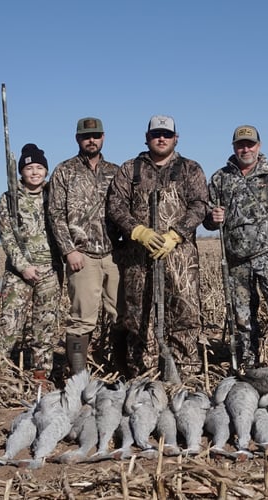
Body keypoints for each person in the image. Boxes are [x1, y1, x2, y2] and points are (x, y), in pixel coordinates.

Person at [107, 115, 208, 379]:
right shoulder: (130, 169)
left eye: (166, 134)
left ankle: (185, 376)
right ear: (147, 137)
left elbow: (200, 205)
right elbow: (115, 206)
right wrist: (137, 231)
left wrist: (176, 234)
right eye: (155, 134)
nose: (160, 138)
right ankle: (145, 375)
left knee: (185, 313)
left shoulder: (191, 169)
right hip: (139, 259)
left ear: (176, 138)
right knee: (140, 316)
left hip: (181, 259)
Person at [203, 125, 268, 368]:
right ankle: (248, 368)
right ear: (234, 147)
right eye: (240, 144)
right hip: (236, 263)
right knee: (243, 319)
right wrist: (212, 218)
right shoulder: (220, 178)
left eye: (250, 144)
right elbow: (207, 219)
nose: (245, 148)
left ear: (259, 146)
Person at [48, 117, 121, 375]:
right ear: (77, 139)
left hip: (114, 255)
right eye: (86, 136)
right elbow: (55, 214)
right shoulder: (64, 171)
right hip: (82, 256)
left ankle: (120, 370)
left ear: (103, 138)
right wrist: (69, 250)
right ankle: (78, 378)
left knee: (120, 315)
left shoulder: (116, 171)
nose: (92, 140)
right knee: (81, 320)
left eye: (97, 135)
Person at [0, 144, 62, 385]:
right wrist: (23, 267)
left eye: (39, 167)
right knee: (10, 326)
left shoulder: (55, 195)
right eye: (29, 168)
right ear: (21, 172)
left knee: (44, 328)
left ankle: (40, 377)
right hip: (19, 274)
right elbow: (7, 236)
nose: (35, 172)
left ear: (46, 170)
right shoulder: (9, 198)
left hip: (50, 272)